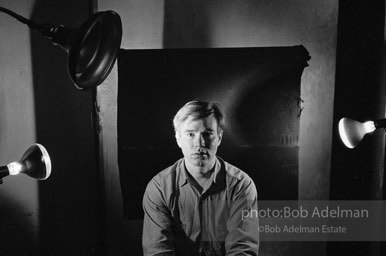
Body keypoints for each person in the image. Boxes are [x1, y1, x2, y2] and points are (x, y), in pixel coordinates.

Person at [142, 100, 259, 256]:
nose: (200, 143)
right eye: (191, 134)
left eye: (207, 133)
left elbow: (242, 249)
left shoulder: (241, 185)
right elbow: (158, 251)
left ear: (219, 137)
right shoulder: (159, 188)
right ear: (178, 138)